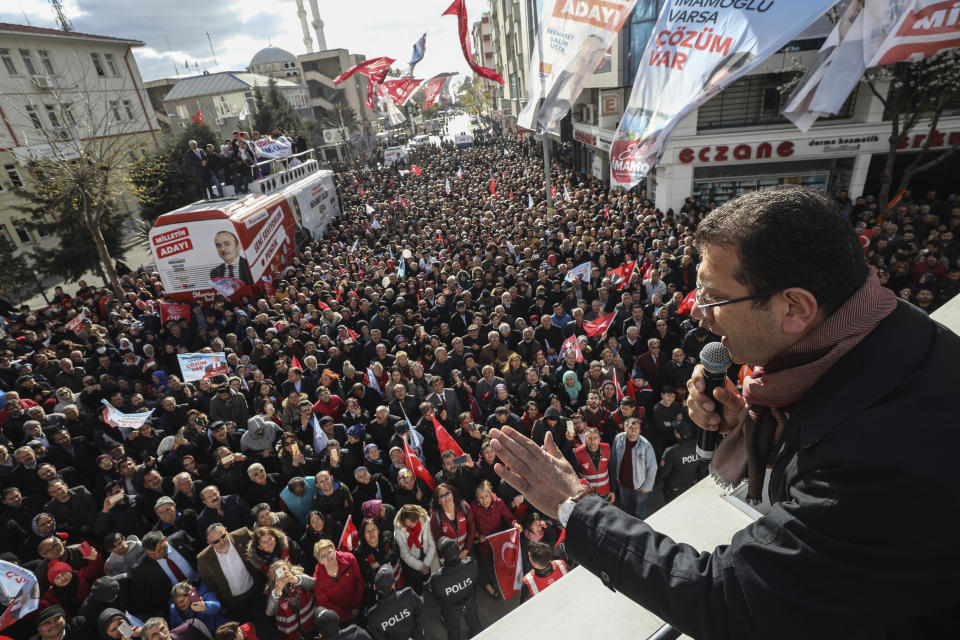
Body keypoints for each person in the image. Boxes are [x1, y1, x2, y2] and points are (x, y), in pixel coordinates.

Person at [488, 184, 960, 638]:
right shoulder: (896, 331)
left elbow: (729, 598)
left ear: (794, 307)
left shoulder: (879, 453)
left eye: (714, 298)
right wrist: (759, 433)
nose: (697, 313)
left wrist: (573, 505)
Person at [428, 537, 482, 640]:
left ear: (443, 559)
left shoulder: (436, 580)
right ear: (459, 553)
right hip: (470, 602)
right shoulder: (472, 565)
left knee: (454, 634)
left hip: (450, 610)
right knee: (475, 625)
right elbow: (475, 581)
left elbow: (436, 597)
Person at [609, 417, 657, 518]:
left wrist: (646, 487)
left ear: (640, 429)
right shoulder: (618, 439)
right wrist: (616, 477)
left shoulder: (646, 445)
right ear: (625, 428)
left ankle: (641, 532)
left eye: (637, 428)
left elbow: (652, 467)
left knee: (640, 512)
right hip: (622, 484)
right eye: (631, 427)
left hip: (639, 487)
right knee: (627, 510)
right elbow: (613, 459)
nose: (634, 430)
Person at [311, 538, 364, 625]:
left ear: (334, 550)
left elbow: (359, 581)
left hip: (360, 605)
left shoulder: (349, 559)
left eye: (329, 552)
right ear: (319, 561)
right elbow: (325, 604)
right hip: (341, 619)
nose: (328, 558)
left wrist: (356, 606)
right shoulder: (318, 580)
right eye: (323, 556)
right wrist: (348, 615)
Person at [364, 565, 424, 640]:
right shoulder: (409, 595)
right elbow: (420, 611)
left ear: (375, 587)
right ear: (393, 585)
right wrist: (418, 633)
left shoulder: (372, 617)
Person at [659, 419, 706, 503]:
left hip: (675, 490)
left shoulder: (671, 452)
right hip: (693, 486)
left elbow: (663, 473)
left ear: (677, 434)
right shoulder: (700, 446)